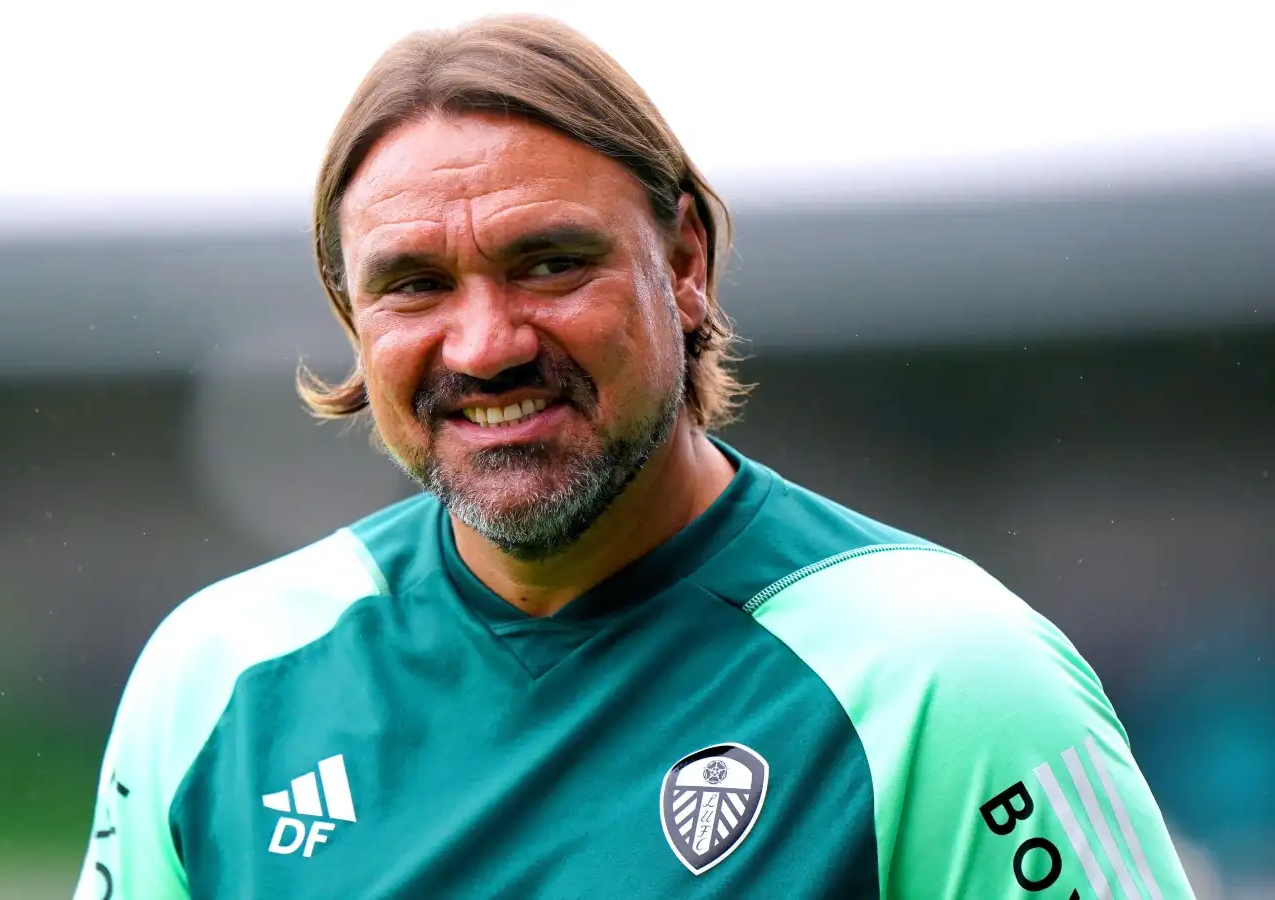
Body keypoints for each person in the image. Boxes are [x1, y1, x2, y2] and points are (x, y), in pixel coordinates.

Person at [74, 14, 1196, 899]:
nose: (485, 344)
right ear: (350, 314)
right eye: (413, 284)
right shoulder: (219, 678)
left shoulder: (945, 676)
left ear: (685, 262)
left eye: (550, 263)